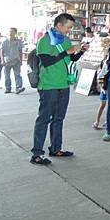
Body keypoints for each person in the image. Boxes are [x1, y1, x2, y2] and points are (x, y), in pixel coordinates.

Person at [31, 13, 86, 165]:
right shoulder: (45, 40)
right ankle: (36, 153)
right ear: (59, 25)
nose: (69, 30)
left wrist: (80, 51)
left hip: (63, 85)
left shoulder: (66, 40)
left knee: (58, 119)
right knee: (44, 119)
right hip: (49, 86)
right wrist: (65, 52)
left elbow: (71, 58)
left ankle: (56, 148)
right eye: (68, 27)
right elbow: (46, 61)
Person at [2, 27, 25, 94]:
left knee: (17, 75)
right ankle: (8, 88)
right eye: (9, 31)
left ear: (15, 33)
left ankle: (18, 88)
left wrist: (21, 60)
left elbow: (20, 51)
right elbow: (2, 51)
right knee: (7, 76)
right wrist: (2, 60)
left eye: (12, 31)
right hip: (7, 61)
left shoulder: (18, 41)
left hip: (16, 60)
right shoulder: (5, 42)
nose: (10, 33)